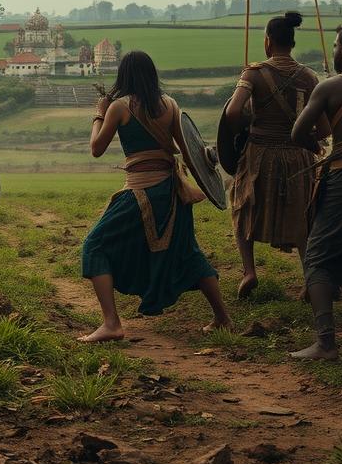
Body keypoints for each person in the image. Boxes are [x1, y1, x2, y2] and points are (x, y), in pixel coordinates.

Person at [81, 50, 231, 341]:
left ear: (123, 76)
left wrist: (99, 113)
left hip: (140, 190)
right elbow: (189, 153)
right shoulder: (171, 105)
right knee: (188, 253)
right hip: (174, 192)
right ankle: (223, 317)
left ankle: (111, 323)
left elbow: (96, 148)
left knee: (94, 245)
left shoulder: (118, 108)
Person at [224, 12, 320, 298]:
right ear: (291, 43)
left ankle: (249, 271)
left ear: (268, 42)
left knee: (244, 208)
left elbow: (232, 112)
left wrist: (244, 128)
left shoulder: (253, 73)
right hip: (297, 156)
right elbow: (323, 127)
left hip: (260, 154)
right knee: (302, 215)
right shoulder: (309, 76)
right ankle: (309, 281)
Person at [290, 24, 342, 361]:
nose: (333, 50)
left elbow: (298, 132)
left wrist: (317, 147)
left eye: (335, 45)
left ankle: (326, 343)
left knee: (317, 256)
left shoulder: (331, 87)